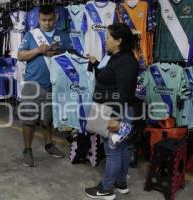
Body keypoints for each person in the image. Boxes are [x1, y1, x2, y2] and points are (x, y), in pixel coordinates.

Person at [84, 23, 140, 200]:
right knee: (122, 148)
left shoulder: (126, 61)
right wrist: (96, 64)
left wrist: (116, 118)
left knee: (112, 150)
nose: (105, 40)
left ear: (119, 40)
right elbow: (109, 76)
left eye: (108, 37)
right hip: (113, 109)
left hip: (118, 111)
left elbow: (123, 92)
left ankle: (106, 189)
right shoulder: (116, 57)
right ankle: (120, 183)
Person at [17, 5, 71, 167]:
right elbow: (20, 55)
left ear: (56, 19)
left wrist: (60, 54)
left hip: (53, 85)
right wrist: (39, 50)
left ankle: (49, 145)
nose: (47, 23)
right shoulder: (31, 35)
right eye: (43, 20)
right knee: (29, 120)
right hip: (33, 84)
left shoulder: (63, 35)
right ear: (39, 19)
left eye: (50, 20)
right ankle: (27, 150)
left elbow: (70, 57)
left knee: (47, 119)